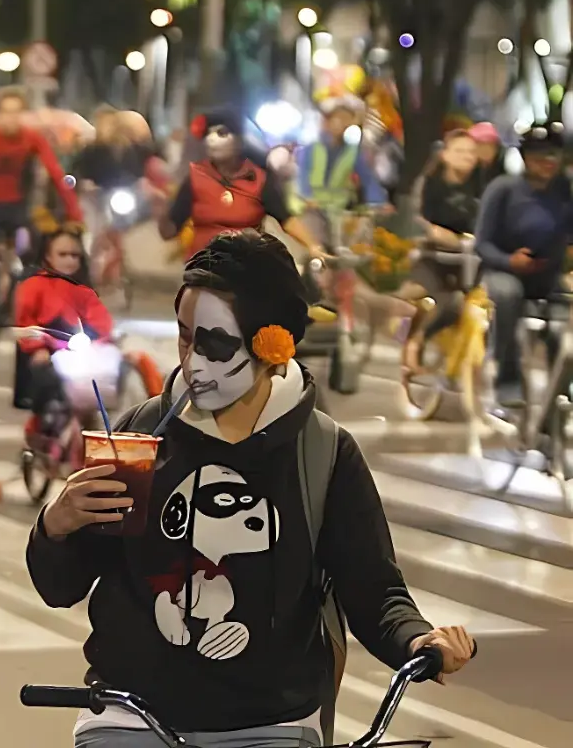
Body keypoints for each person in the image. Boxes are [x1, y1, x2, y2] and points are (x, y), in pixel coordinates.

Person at [27, 229, 475, 748]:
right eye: (184, 336)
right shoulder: (140, 435)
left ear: (271, 344)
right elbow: (61, 588)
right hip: (131, 715)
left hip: (272, 724)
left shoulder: (323, 453)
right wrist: (56, 526)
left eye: (214, 342)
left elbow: (373, 590)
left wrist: (419, 640)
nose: (193, 360)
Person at [476, 121, 573, 405]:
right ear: (526, 158)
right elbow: (482, 243)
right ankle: (506, 378)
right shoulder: (502, 189)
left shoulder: (565, 192)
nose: (548, 161)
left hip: (548, 277)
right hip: (503, 271)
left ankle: (560, 390)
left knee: (561, 324)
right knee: (508, 296)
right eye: (539, 155)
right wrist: (509, 260)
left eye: (553, 154)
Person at [159, 109, 324, 259]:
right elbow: (170, 230)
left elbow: (287, 220)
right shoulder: (195, 177)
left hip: (246, 268)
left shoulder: (260, 179)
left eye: (221, 133)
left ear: (239, 141)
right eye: (208, 134)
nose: (211, 140)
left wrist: (313, 246)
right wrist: (161, 210)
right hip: (203, 269)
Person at [14, 226, 113, 441]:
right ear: (48, 255)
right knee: (48, 383)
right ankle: (43, 424)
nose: (69, 260)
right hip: (47, 351)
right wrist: (38, 347)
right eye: (62, 254)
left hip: (76, 350)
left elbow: (101, 319)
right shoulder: (34, 286)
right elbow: (23, 321)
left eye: (74, 255)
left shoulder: (83, 290)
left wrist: (104, 340)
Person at [401, 129, 483, 367]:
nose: (467, 156)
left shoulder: (480, 187)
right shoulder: (429, 184)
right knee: (450, 302)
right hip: (433, 258)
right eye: (459, 151)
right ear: (445, 155)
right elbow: (419, 221)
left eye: (471, 152)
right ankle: (417, 340)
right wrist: (437, 233)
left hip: (469, 260)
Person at [0, 87, 83, 260]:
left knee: (33, 251)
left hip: (18, 206)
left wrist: (74, 213)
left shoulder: (31, 137)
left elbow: (55, 172)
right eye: (6, 112)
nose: (11, 119)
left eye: (17, 112)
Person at [294, 96, 389, 231]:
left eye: (346, 119)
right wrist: (307, 197)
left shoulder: (353, 153)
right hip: (311, 210)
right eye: (338, 118)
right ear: (327, 121)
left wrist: (379, 203)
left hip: (339, 212)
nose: (342, 123)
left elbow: (368, 179)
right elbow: (302, 176)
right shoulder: (311, 149)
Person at [467, 121, 506, 189]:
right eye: (481, 145)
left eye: (491, 146)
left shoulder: (504, 172)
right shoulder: (466, 173)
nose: (486, 150)